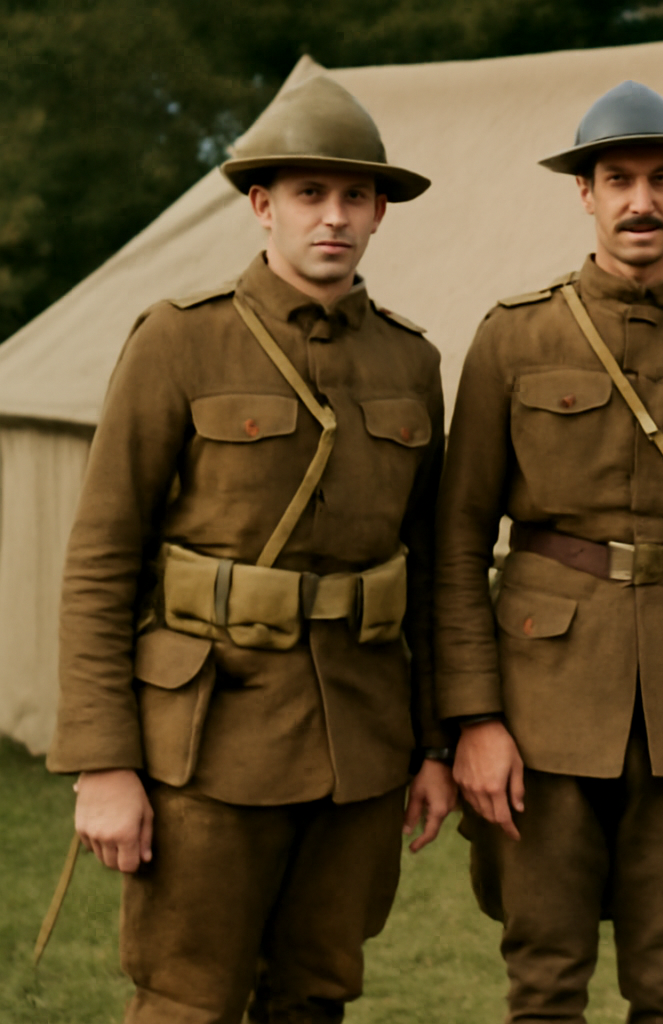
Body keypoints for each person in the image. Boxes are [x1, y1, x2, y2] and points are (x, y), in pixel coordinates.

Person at [45, 75, 456, 1023]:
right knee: (187, 999)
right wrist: (103, 763)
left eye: (355, 196)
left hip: (359, 737)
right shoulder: (178, 343)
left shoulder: (412, 362)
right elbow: (102, 561)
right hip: (207, 739)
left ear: (381, 212)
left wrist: (433, 743)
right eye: (309, 194)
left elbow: (433, 572)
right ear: (262, 205)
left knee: (315, 996)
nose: (334, 218)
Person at [435, 80, 663, 1022]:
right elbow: (455, 544)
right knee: (545, 980)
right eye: (617, 180)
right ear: (585, 194)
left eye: (659, 179)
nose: (639, 200)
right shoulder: (512, 338)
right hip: (540, 704)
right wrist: (474, 718)